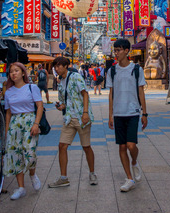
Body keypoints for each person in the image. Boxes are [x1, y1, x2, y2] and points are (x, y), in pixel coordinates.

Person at [48, 56, 98, 188]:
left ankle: (92, 173)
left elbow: (85, 94)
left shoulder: (75, 77)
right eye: (55, 67)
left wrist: (85, 113)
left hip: (81, 118)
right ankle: (63, 177)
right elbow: (65, 103)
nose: (56, 69)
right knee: (62, 146)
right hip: (69, 118)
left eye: (59, 66)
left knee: (86, 147)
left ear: (65, 66)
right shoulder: (60, 82)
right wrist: (61, 107)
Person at [106, 39, 148, 193]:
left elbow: (141, 91)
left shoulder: (136, 69)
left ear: (126, 51)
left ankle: (135, 161)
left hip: (132, 112)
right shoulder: (112, 70)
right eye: (115, 50)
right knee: (122, 146)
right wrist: (110, 115)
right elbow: (111, 94)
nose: (116, 53)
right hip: (118, 113)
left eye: (118, 50)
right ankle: (129, 178)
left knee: (131, 145)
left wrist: (145, 113)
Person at [4, 62, 43, 200]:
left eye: (16, 70)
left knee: (30, 152)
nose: (13, 73)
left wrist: (36, 123)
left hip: (29, 121)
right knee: (16, 155)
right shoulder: (8, 92)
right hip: (15, 123)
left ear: (22, 73)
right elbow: (8, 113)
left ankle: (32, 174)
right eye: (11, 71)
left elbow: (39, 106)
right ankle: (21, 187)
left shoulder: (32, 88)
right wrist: (7, 130)